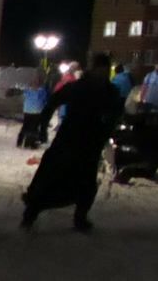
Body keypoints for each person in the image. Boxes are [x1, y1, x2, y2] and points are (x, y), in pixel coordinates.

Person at [20, 52, 122, 233]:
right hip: (69, 139)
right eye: (100, 69)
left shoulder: (109, 91)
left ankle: (79, 217)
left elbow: (114, 115)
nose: (102, 74)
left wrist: (106, 133)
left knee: (86, 183)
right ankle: (31, 212)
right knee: (51, 177)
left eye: (104, 70)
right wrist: (42, 127)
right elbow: (53, 102)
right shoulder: (80, 87)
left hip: (89, 143)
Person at [17, 79, 50, 148]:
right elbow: (44, 100)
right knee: (34, 128)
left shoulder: (27, 91)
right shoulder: (41, 92)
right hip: (36, 111)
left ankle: (20, 142)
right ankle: (31, 143)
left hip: (27, 110)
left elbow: (24, 97)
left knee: (25, 126)